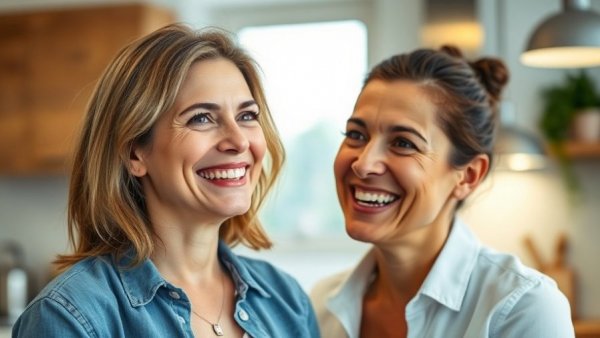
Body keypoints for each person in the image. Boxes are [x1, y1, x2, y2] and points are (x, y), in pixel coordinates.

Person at [13, 24, 319, 338]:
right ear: (135, 154)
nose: (239, 141)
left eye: (247, 115)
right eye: (201, 118)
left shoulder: (287, 301)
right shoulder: (69, 316)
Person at [310, 46, 574, 338]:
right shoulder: (320, 305)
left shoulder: (522, 308)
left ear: (468, 176)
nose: (363, 164)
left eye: (404, 143)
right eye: (356, 135)